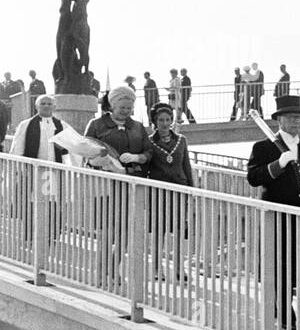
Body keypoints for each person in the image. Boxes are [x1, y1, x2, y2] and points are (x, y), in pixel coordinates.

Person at [246, 94, 300, 329]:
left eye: (298, 117)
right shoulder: (263, 147)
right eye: (290, 117)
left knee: (299, 266)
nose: (296, 121)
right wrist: (278, 164)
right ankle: (284, 307)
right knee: (279, 264)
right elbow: (253, 177)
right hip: (278, 216)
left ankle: (279, 303)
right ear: (279, 120)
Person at [84, 86, 153, 287]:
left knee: (125, 229)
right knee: (107, 229)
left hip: (131, 182)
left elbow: (149, 151)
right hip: (105, 184)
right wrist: (100, 160)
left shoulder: (138, 127)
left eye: (129, 107)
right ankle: (101, 271)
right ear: (112, 105)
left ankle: (114, 268)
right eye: (122, 107)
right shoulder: (97, 124)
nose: (126, 111)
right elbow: (85, 149)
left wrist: (137, 157)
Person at [142, 102, 194, 276]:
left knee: (179, 229)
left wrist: (191, 190)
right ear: (155, 122)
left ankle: (180, 268)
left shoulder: (181, 140)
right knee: (159, 229)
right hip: (158, 192)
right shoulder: (149, 142)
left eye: (168, 119)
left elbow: (186, 166)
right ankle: (157, 268)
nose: (164, 123)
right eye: (161, 120)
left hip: (179, 190)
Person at [10, 94, 68, 249]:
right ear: (37, 106)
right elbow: (17, 147)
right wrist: (21, 168)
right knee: (32, 202)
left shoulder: (61, 125)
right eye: (43, 103)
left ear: (55, 107)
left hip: (54, 171)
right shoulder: (27, 124)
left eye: (50, 103)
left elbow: (70, 147)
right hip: (33, 170)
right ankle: (31, 236)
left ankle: (52, 236)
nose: (47, 106)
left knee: (52, 203)